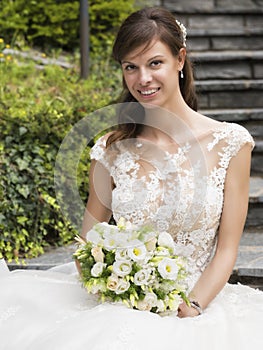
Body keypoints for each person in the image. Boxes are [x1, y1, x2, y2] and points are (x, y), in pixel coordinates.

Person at [0, 6, 262, 350]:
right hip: (121, 307)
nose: (143, 79)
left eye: (155, 63)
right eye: (130, 67)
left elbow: (227, 250)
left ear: (180, 60)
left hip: (199, 306)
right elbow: (87, 246)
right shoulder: (110, 149)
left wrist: (190, 307)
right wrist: (121, 292)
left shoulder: (230, 143)